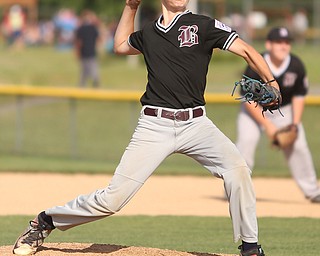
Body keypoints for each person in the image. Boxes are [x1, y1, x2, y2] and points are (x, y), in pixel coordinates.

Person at [12, 1, 281, 255]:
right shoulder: (149, 33)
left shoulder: (204, 25)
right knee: (112, 200)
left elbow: (246, 50)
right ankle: (45, 221)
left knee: (238, 170)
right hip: (154, 126)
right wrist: (131, 6)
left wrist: (271, 81)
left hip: (197, 124)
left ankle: (250, 246)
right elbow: (119, 45)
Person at [236, 27, 320, 203]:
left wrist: (295, 125)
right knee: (246, 142)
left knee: (299, 146)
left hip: (285, 111)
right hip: (254, 110)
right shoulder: (255, 64)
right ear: (269, 45)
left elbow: (299, 96)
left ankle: (312, 191)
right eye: (278, 42)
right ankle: (236, 190)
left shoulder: (296, 65)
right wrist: (269, 127)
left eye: (287, 42)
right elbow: (247, 99)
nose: (283, 46)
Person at [75, 10, 100, 88]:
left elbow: (79, 42)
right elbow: (98, 39)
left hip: (84, 52)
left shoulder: (81, 29)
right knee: (93, 68)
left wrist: (77, 51)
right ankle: (95, 82)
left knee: (84, 70)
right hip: (92, 52)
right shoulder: (93, 28)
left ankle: (83, 84)